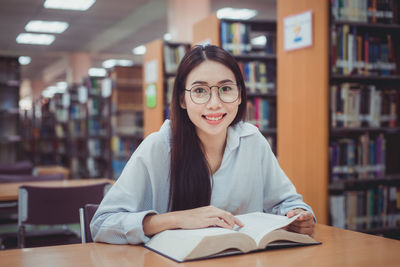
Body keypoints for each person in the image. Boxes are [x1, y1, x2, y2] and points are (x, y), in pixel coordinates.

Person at [90, 45, 315, 245]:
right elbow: (102, 224)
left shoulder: (253, 141)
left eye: (226, 89)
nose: (214, 104)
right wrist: (176, 219)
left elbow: (286, 202)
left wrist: (298, 215)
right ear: (182, 100)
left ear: (239, 96)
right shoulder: (159, 146)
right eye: (200, 91)